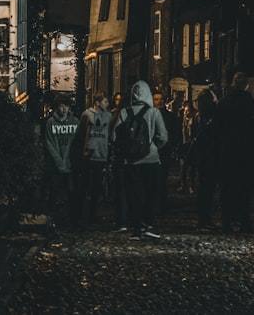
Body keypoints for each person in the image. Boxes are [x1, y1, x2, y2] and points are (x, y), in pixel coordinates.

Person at [111, 80, 168, 239]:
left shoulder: (124, 112)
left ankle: (136, 228)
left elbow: (115, 136)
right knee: (151, 193)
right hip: (151, 159)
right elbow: (163, 136)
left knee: (134, 194)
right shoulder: (154, 112)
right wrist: (154, 147)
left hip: (131, 161)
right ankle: (148, 224)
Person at [211, 70, 254, 233]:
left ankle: (227, 221)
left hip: (227, 152)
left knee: (227, 188)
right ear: (246, 86)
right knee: (245, 189)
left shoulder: (224, 104)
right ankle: (244, 220)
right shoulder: (252, 106)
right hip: (246, 153)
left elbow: (216, 129)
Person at [42, 93, 80, 228]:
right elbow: (50, 143)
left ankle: (71, 221)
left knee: (72, 193)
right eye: (61, 107)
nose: (64, 110)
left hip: (69, 164)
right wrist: (60, 161)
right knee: (55, 193)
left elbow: (77, 143)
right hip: (57, 165)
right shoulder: (51, 123)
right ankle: (54, 221)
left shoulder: (75, 122)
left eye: (66, 107)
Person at [76, 92, 112, 227]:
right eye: (105, 102)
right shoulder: (87, 115)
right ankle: (80, 214)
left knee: (97, 187)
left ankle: (92, 214)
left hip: (101, 155)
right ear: (97, 103)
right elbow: (81, 133)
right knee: (84, 185)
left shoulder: (108, 116)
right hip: (88, 155)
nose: (107, 104)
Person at [187, 88, 219, 231]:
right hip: (209, 157)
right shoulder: (210, 120)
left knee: (204, 188)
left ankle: (203, 219)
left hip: (202, 158)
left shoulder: (199, 118)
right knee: (207, 189)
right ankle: (204, 220)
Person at [152, 91, 182, 213]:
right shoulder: (150, 115)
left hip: (164, 151)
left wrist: (171, 143)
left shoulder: (170, 117)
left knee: (162, 177)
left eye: (161, 99)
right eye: (156, 99)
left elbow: (176, 132)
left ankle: (161, 204)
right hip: (152, 151)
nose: (159, 101)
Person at [178, 101, 199, 194]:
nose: (186, 113)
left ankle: (191, 186)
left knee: (191, 168)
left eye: (188, 111)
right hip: (183, 144)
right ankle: (183, 184)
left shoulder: (194, 119)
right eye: (185, 111)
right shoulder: (181, 119)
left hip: (191, 145)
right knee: (183, 167)